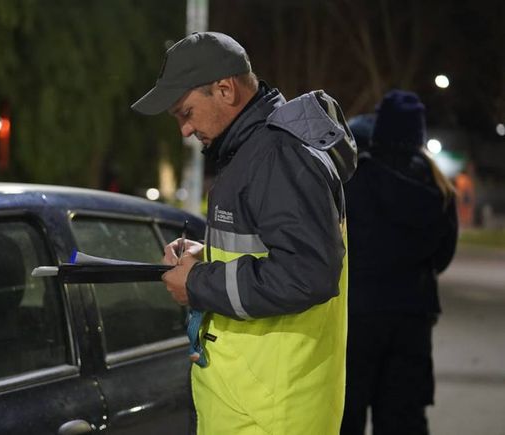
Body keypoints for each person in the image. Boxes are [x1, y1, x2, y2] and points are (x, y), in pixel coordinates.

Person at [132, 31, 355, 434]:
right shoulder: (256, 150)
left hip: (271, 413)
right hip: (256, 404)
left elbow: (308, 273)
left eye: (186, 112)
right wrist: (211, 255)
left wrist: (199, 283)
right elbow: (276, 251)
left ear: (224, 89)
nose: (184, 130)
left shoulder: (276, 155)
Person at [340, 90, 458, 435]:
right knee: (403, 419)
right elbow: (443, 256)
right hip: (412, 318)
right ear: (419, 133)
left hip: (357, 315)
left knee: (347, 414)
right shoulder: (439, 187)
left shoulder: (356, 179)